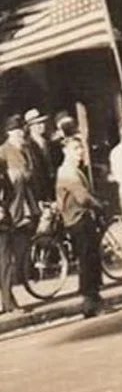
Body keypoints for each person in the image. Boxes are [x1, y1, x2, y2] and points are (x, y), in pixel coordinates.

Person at [57, 136, 106, 318]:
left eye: (81, 148)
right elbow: (82, 197)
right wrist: (98, 205)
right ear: (66, 151)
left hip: (80, 219)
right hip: (78, 220)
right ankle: (90, 302)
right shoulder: (67, 171)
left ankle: (93, 300)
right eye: (76, 149)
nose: (80, 152)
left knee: (90, 259)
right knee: (87, 261)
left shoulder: (73, 170)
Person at [0, 115, 39, 292]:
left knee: (25, 237)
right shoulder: (4, 151)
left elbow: (31, 175)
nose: (20, 135)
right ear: (9, 133)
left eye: (20, 131)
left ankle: (25, 272)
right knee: (12, 242)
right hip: (12, 203)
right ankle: (17, 275)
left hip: (26, 201)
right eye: (16, 132)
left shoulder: (25, 150)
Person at [23, 109, 54, 201]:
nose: (42, 126)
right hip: (39, 190)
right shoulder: (28, 146)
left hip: (51, 186)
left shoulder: (48, 143)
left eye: (43, 122)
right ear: (30, 127)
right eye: (38, 124)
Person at [0, 160, 17, 315]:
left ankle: (8, 301)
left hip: (2, 223)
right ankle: (8, 302)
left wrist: (3, 206)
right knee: (4, 263)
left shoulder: (2, 166)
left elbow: (10, 191)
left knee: (5, 263)